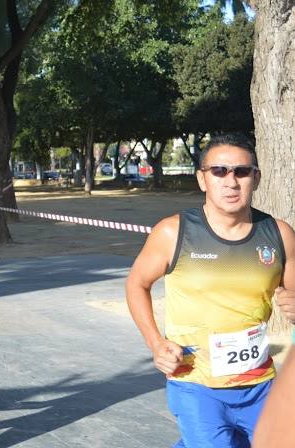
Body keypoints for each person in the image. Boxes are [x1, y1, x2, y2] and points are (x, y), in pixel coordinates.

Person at [125, 133, 295, 448]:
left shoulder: (278, 234)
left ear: (255, 178)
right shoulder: (173, 232)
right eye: (219, 171)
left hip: (259, 385)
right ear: (203, 179)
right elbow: (137, 283)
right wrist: (156, 343)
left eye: (241, 172)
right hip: (195, 384)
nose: (231, 181)